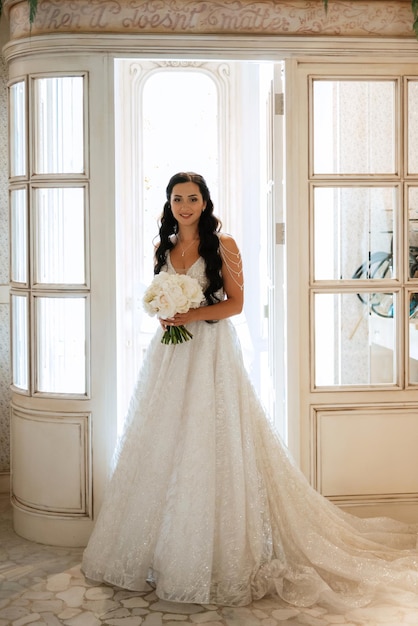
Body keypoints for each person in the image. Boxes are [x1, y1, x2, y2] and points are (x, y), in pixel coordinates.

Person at [82, 172, 418, 610]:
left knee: (211, 439)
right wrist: (165, 313)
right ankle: (162, 553)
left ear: (205, 203)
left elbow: (236, 304)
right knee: (166, 439)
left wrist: (192, 314)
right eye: (178, 198)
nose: (185, 205)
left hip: (210, 352)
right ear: (169, 203)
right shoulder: (162, 248)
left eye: (193, 198)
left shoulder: (224, 245)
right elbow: (160, 298)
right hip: (170, 355)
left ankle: (217, 555)